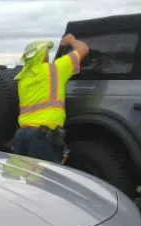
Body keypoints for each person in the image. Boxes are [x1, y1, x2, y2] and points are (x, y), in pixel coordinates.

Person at [11, 34, 90, 163]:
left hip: (22, 135)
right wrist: (72, 40)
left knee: (23, 177)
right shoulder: (56, 69)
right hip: (42, 137)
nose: (48, 54)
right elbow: (84, 49)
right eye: (46, 51)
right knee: (44, 180)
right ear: (41, 55)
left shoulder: (22, 79)